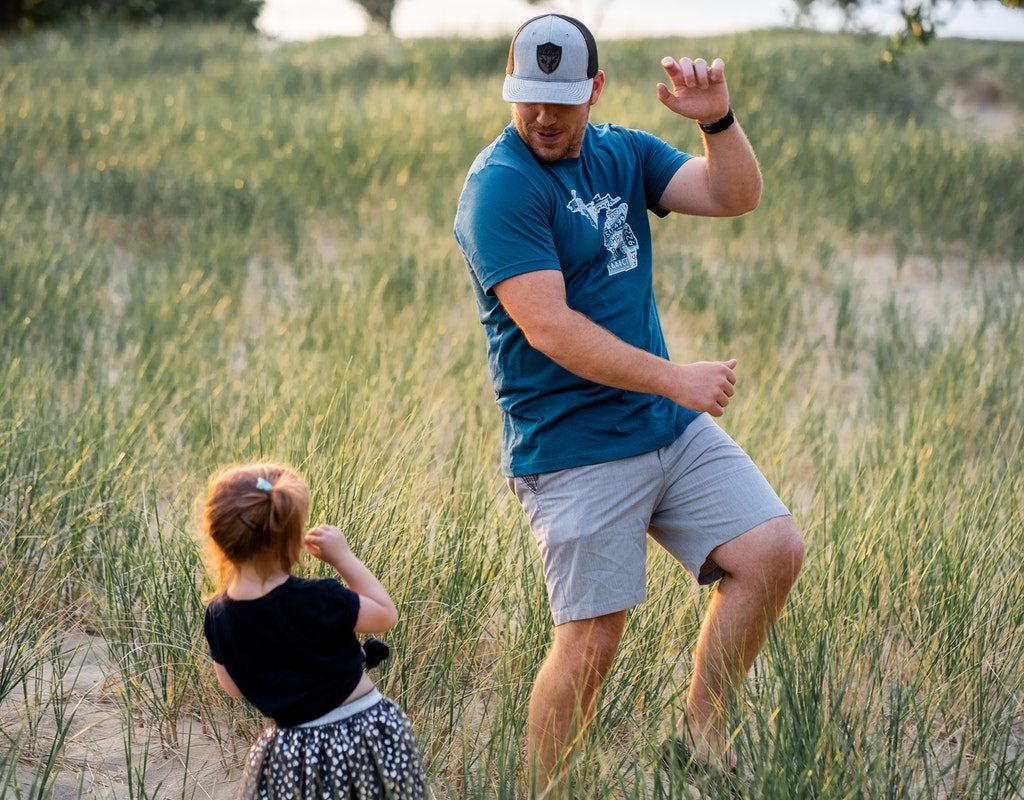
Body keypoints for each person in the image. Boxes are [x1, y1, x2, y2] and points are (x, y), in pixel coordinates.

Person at [453, 12, 804, 794]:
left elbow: (733, 195)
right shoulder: (500, 187)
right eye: (528, 97)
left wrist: (717, 121)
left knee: (771, 551)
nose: (543, 116)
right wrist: (675, 379)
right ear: (509, 89)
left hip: (663, 428)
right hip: (571, 447)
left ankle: (702, 738)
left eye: (561, 100)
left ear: (595, 90)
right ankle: (541, 790)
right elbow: (549, 328)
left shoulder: (624, 153)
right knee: (591, 643)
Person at [199, 462, 427, 799]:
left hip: (291, 752)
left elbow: (232, 687)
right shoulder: (318, 597)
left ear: (217, 536)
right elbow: (384, 615)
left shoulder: (218, 616)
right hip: (364, 732)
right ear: (291, 541)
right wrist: (343, 558)